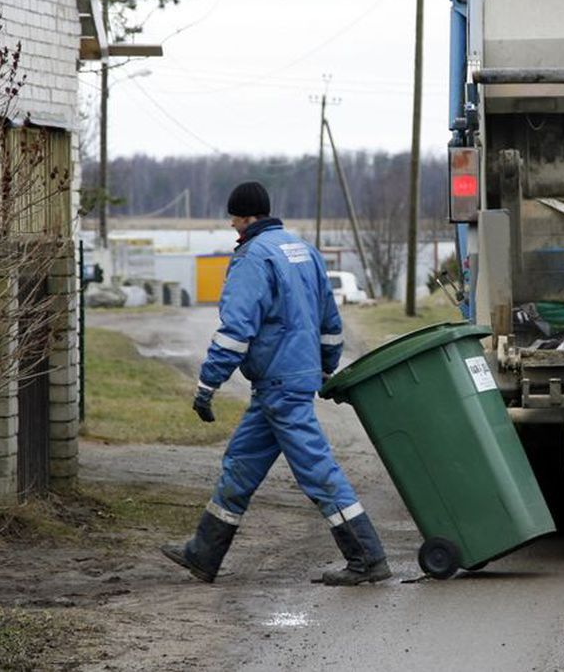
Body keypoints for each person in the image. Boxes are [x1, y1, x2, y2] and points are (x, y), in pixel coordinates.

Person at [160, 181, 391, 586]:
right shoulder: (303, 250)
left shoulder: (252, 259)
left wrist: (207, 384)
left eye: (234, 218)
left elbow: (235, 331)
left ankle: (367, 557)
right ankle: (203, 554)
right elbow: (330, 322)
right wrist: (324, 367)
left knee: (317, 470)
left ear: (247, 217)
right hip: (286, 382)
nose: (232, 226)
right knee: (240, 465)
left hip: (279, 383)